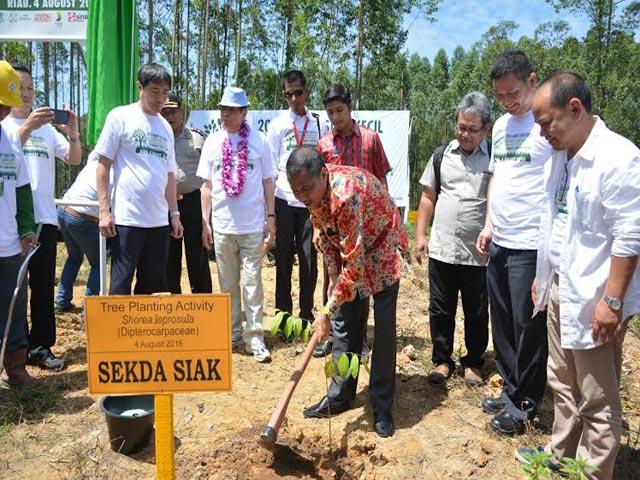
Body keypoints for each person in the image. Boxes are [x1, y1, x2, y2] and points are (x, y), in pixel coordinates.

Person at [515, 72, 640, 480]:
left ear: (575, 108)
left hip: (594, 300)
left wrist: (613, 301)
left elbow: (630, 235)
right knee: (563, 383)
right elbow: (553, 222)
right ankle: (558, 454)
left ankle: (589, 472)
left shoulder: (617, 157)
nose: (541, 132)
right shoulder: (561, 155)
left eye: (546, 122)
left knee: (597, 398)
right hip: (560, 289)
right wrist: (543, 275)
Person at [288, 147, 403, 438]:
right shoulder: (312, 193)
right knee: (345, 318)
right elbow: (327, 239)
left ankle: (381, 405)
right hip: (353, 248)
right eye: (296, 191)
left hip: (382, 244)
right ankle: (341, 394)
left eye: (306, 189)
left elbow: (355, 264)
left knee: (384, 328)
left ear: (323, 175)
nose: (302, 197)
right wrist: (332, 280)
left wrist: (326, 309)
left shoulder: (346, 196)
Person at [475, 50, 553, 435]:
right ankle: (509, 389)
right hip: (501, 239)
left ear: (532, 80)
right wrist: (489, 225)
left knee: (528, 327)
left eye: (513, 93)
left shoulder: (546, 125)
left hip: (530, 243)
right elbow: (496, 179)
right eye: (500, 96)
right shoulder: (503, 126)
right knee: (502, 322)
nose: (508, 101)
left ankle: (525, 403)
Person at [2, 64, 81, 371]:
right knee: (13, 288)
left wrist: (73, 134)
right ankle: (12, 351)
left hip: (45, 219)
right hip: (11, 222)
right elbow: (10, 152)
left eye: (30, 88)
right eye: (18, 88)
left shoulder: (47, 130)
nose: (25, 94)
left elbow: (73, 159)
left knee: (44, 285)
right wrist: (28, 128)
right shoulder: (6, 126)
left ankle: (40, 346)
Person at [313, 83, 401, 358]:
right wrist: (318, 227)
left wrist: (389, 218)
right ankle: (335, 334)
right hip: (336, 226)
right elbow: (317, 191)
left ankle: (360, 340)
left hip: (369, 226)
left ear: (350, 108)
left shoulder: (370, 139)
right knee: (335, 278)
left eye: (340, 110)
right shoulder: (324, 144)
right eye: (330, 112)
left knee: (362, 277)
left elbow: (381, 179)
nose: (336, 117)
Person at [415, 92, 492, 387]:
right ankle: (442, 360)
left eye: (473, 129)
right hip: (443, 248)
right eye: (461, 127)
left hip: (478, 252)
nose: (465, 134)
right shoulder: (441, 155)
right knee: (441, 307)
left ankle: (473, 362)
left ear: (485, 129)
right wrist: (420, 234)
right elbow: (427, 197)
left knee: (476, 310)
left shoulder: (494, 157)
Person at [197, 86, 276, 363]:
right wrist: (205, 222)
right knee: (227, 284)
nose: (225, 114)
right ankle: (231, 334)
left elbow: (268, 182)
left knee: (252, 283)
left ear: (244, 112)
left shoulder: (260, 142)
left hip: (253, 226)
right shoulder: (212, 142)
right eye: (222, 109)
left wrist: (271, 217)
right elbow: (206, 186)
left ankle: (255, 338)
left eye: (231, 109)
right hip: (221, 226)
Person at [95, 63, 183, 295]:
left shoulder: (165, 127)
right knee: (120, 285)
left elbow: (170, 174)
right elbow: (103, 164)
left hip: (158, 222)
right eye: (155, 91)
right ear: (139, 87)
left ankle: (143, 333)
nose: (160, 98)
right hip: (127, 220)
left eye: (165, 92)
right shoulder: (120, 117)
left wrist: (174, 214)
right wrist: (104, 211)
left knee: (151, 287)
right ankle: (116, 332)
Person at [267, 70, 320, 326]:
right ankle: (284, 316)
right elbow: (270, 166)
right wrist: (270, 211)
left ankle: (307, 314)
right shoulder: (277, 125)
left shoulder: (319, 123)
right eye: (289, 94)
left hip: (311, 204)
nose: (294, 99)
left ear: (306, 91)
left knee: (309, 260)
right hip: (285, 200)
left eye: (298, 93)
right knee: (284, 259)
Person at [0, 60, 38, 388]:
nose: (2, 112)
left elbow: (23, 189)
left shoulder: (11, 137)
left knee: (13, 304)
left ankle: (16, 368)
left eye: (5, 107)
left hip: (10, 242)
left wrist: (26, 228)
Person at [161, 92, 212, 294]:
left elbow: (209, 174)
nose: (169, 117)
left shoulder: (198, 137)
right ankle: (173, 298)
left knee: (196, 253)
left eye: (173, 112)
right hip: (166, 204)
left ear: (181, 113)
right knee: (169, 255)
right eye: (165, 113)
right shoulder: (157, 137)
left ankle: (202, 299)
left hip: (193, 202)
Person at [55, 152, 103, 309]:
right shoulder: (113, 171)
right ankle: (90, 308)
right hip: (81, 218)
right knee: (99, 263)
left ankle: (62, 301)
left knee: (74, 258)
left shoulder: (94, 159)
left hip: (62, 211)